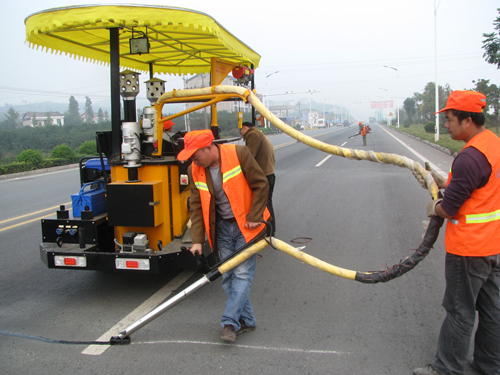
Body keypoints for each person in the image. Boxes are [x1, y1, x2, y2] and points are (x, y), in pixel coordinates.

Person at [414, 90, 500, 375]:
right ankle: (489, 364)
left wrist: (433, 207)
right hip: (493, 246)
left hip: (469, 250)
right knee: (492, 310)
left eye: (450, 119)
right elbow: (478, 190)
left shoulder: (469, 158)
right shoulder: (493, 145)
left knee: (460, 310)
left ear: (467, 121)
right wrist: (440, 181)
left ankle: (446, 369)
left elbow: (450, 208)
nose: (446, 125)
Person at [177, 129, 270, 343]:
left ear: (209, 147)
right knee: (227, 276)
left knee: (242, 275)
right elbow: (196, 205)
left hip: (247, 226)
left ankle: (230, 323)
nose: (193, 159)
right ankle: (248, 320)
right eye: (190, 156)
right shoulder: (195, 169)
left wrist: (255, 215)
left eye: (195, 154)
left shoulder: (239, 154)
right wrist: (197, 240)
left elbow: (261, 184)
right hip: (221, 229)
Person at [240, 121, 276, 235]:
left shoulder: (252, 134)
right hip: (268, 174)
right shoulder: (258, 133)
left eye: (241, 131)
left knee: (264, 204)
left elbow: (248, 157)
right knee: (266, 203)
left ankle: (268, 232)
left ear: (245, 127)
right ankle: (269, 231)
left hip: (264, 176)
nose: (241, 134)